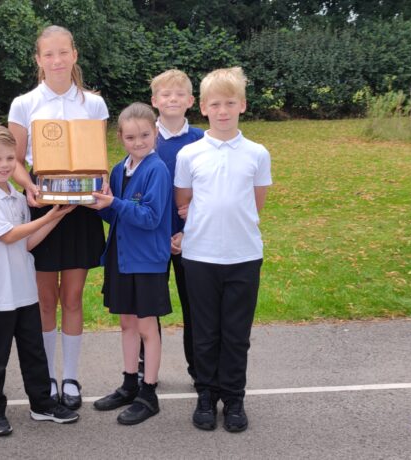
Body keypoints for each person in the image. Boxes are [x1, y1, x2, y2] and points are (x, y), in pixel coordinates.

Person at [7, 25, 109, 409]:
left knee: (73, 297)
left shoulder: (94, 104)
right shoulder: (24, 103)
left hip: (81, 208)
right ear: (38, 59)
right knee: (45, 300)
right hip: (43, 205)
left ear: (74, 55)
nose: (56, 60)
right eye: (48, 54)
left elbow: (98, 161)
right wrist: (29, 188)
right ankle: (48, 376)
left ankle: (71, 378)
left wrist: (101, 186)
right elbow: (16, 160)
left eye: (63, 52)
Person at [175, 67, 272, 433]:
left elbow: (255, 203)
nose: (223, 110)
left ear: (242, 105)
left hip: (243, 256)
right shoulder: (190, 154)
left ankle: (233, 398)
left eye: (230, 103)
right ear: (203, 107)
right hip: (200, 257)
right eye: (215, 104)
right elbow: (184, 200)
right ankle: (205, 395)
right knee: (204, 331)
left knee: (235, 333)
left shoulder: (257, 153)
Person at [0, 126, 80, 436]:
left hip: (24, 290)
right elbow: (7, 236)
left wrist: (56, 216)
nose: (4, 165)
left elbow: (27, 243)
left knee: (34, 353)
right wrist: (45, 217)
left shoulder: (17, 199)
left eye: (9, 158)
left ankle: (41, 404)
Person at [87, 103, 172, 425]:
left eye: (145, 135)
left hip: (147, 261)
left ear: (156, 133)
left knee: (147, 327)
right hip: (121, 258)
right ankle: (128, 383)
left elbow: (150, 218)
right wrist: (99, 205)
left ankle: (149, 393)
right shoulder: (120, 168)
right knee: (126, 324)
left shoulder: (157, 170)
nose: (139, 142)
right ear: (120, 138)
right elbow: (116, 216)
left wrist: (116, 203)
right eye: (131, 137)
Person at [150, 69, 205, 383]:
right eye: (165, 94)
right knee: (148, 309)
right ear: (155, 100)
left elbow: (208, 191)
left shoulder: (201, 139)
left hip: (191, 239)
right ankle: (147, 373)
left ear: (191, 100)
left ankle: (199, 371)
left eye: (179, 94)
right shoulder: (145, 137)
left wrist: (187, 230)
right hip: (152, 239)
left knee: (194, 308)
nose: (172, 99)